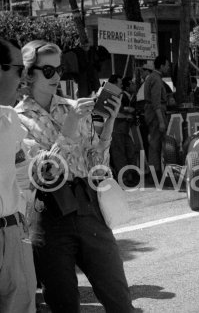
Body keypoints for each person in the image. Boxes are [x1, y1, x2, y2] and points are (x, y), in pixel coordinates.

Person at [16, 40, 133, 312]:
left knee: (119, 299)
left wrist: (108, 128)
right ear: (28, 73)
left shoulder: (73, 107)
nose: (57, 76)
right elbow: (42, 174)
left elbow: (97, 167)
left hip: (89, 208)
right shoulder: (17, 119)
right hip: (49, 215)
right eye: (48, 71)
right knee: (63, 303)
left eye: (60, 69)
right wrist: (67, 132)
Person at [0, 38, 36, 313]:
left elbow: (23, 173)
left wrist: (22, 216)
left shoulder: (11, 121)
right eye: (18, 70)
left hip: (12, 234)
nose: (22, 80)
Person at [143, 56, 170, 180]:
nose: (168, 67)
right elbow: (156, 103)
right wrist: (161, 121)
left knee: (155, 142)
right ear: (162, 65)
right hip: (155, 115)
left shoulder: (152, 78)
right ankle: (155, 173)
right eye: (167, 65)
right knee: (155, 143)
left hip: (152, 113)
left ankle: (155, 171)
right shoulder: (156, 79)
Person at [110, 75, 138, 186]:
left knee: (130, 151)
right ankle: (125, 178)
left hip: (124, 129)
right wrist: (127, 114)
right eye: (120, 83)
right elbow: (114, 113)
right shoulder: (111, 95)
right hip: (116, 129)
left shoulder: (118, 95)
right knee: (119, 154)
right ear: (114, 84)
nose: (121, 85)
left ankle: (130, 175)